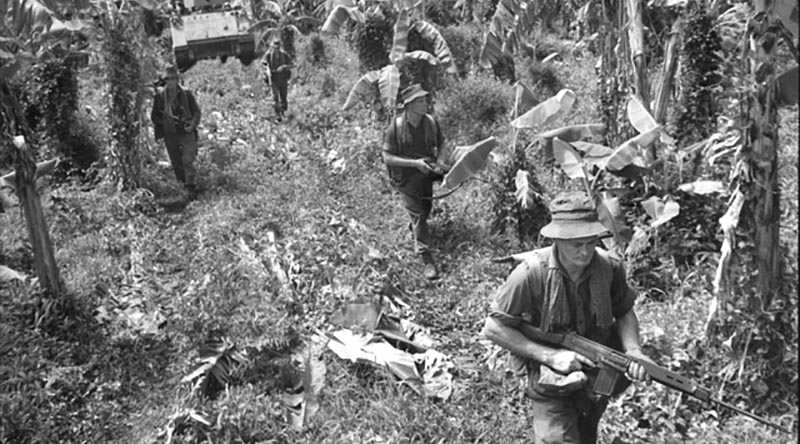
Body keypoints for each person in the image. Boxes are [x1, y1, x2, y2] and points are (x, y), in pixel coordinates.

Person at [483, 191, 654, 444]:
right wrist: (550, 356)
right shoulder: (530, 275)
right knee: (556, 438)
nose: (585, 252)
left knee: (586, 433)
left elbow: (624, 310)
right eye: (576, 244)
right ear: (557, 239)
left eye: (590, 242)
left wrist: (633, 350)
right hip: (550, 374)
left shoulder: (609, 267)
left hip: (597, 372)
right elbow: (493, 328)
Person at [382, 84, 449, 280]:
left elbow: (442, 143)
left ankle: (415, 229)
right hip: (405, 178)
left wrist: (441, 162)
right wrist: (413, 163)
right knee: (419, 214)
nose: (425, 103)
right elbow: (387, 157)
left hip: (425, 175)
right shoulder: (395, 128)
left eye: (425, 99)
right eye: (420, 101)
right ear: (409, 106)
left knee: (425, 209)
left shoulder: (430, 122)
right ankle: (426, 257)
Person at [151, 66, 202, 195]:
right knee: (176, 161)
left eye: (174, 79)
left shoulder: (186, 94)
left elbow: (196, 111)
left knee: (188, 158)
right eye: (168, 79)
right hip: (170, 133)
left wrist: (193, 124)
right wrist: (164, 121)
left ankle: (191, 184)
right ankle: (183, 186)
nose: (171, 82)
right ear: (165, 81)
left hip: (186, 131)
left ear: (177, 80)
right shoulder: (160, 96)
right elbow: (154, 116)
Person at [261, 38, 293, 121]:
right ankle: (278, 115)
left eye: (278, 48)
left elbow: (292, 64)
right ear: (272, 47)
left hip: (283, 79)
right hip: (273, 79)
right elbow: (263, 63)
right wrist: (267, 70)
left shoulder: (284, 55)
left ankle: (283, 112)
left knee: (284, 98)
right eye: (275, 48)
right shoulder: (268, 55)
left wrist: (284, 67)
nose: (276, 50)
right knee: (275, 97)